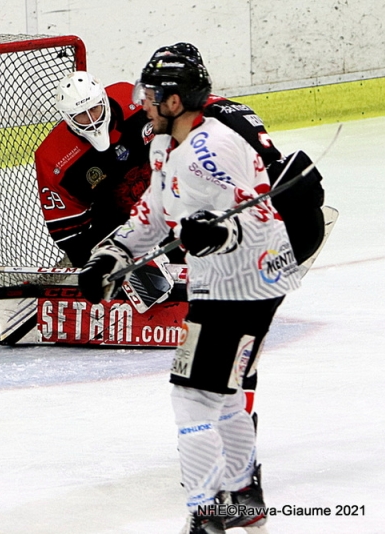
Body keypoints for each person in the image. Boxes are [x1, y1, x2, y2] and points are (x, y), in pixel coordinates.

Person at [78, 46, 303, 533]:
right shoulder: (164, 145)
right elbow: (153, 212)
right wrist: (111, 254)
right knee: (222, 391)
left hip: (244, 280)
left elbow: (256, 213)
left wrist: (219, 232)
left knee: (192, 396)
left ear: (175, 101)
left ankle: (206, 512)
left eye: (151, 95)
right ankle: (243, 496)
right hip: (229, 279)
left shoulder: (215, 146)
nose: (142, 103)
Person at [35, 71, 156, 268]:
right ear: (67, 117)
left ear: (104, 100)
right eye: (81, 115)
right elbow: (71, 236)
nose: (92, 120)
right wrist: (97, 264)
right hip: (120, 231)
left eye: (94, 108)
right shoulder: (53, 160)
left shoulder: (135, 102)